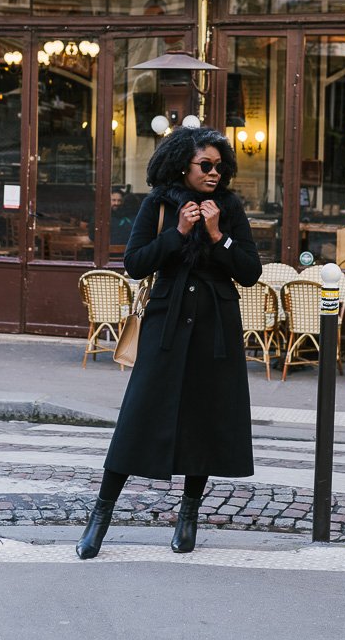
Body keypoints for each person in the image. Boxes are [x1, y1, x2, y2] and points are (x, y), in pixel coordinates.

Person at [76, 126, 261, 559]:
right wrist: (178, 232)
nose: (215, 173)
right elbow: (136, 263)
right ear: (184, 165)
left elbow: (250, 270)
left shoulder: (229, 208)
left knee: (203, 423)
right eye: (206, 165)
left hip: (214, 327)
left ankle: (189, 515)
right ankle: (99, 518)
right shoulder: (158, 204)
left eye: (220, 166)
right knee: (137, 420)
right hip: (166, 326)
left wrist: (218, 235)